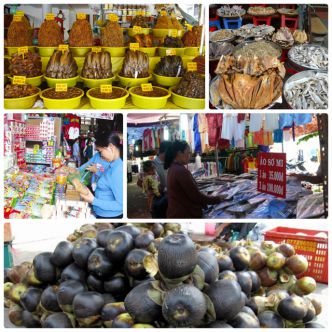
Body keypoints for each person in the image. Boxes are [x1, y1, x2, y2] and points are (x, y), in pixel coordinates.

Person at [164, 140, 222, 218]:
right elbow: (196, 196)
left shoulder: (173, 168)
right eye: (188, 153)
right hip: (184, 215)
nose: (190, 156)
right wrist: (217, 199)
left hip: (177, 213)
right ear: (179, 153)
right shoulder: (180, 171)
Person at [79, 133, 123, 219]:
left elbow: (121, 205)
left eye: (100, 151)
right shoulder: (113, 165)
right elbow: (107, 181)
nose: (100, 155)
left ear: (110, 147)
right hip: (102, 213)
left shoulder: (118, 170)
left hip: (110, 216)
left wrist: (93, 200)